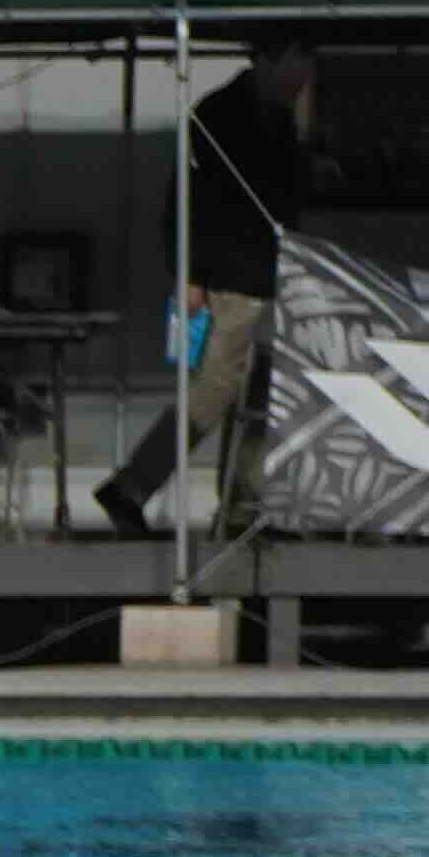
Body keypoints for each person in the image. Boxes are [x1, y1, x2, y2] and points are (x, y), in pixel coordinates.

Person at [93, 47, 316, 540]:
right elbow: (185, 201)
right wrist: (187, 272)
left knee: (260, 395)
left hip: (268, 274)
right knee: (217, 386)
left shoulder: (278, 119)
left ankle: (243, 505)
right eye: (297, 61)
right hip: (230, 277)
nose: (304, 74)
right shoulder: (221, 115)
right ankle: (132, 485)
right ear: (269, 61)